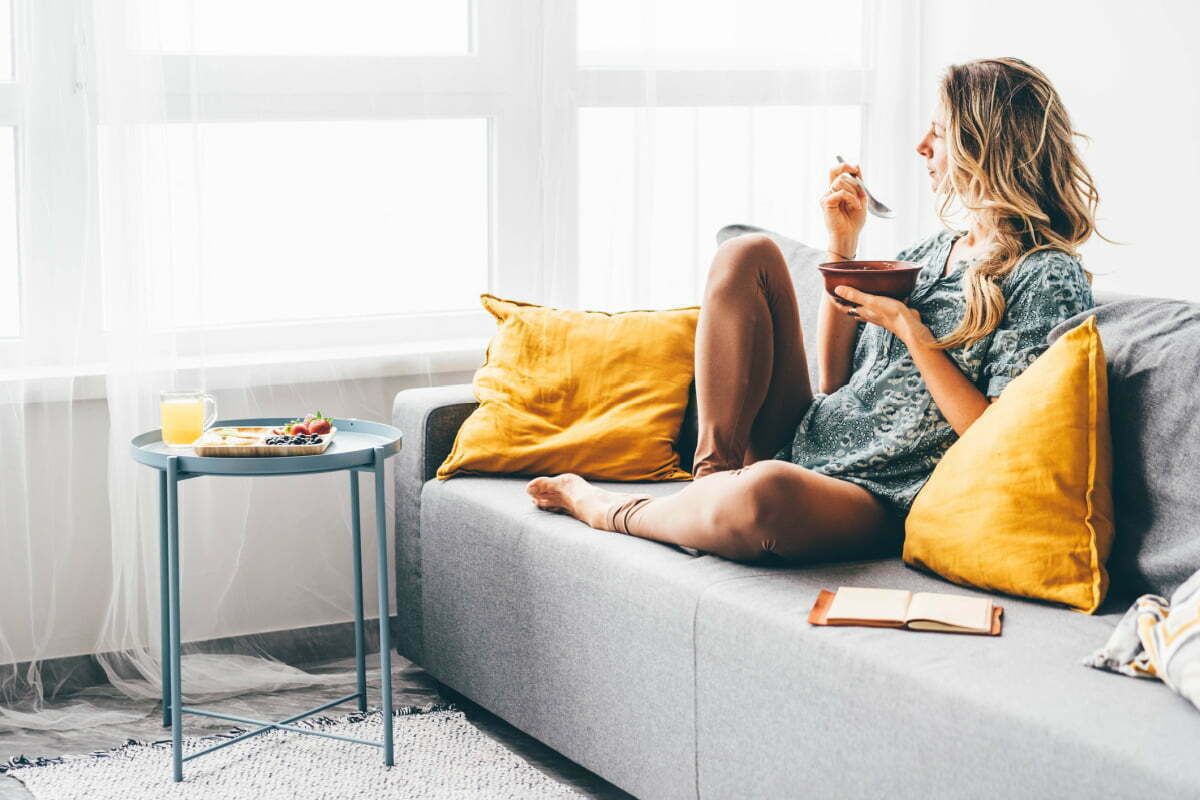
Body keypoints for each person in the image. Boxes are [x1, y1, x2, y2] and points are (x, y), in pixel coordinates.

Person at [525, 57, 1100, 564]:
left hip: (880, 495)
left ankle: (607, 509)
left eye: (941, 132)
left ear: (985, 143)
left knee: (766, 493)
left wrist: (911, 329)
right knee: (745, 253)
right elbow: (836, 380)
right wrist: (842, 247)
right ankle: (713, 477)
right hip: (810, 437)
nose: (923, 145)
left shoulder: (1045, 274)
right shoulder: (931, 251)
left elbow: (993, 437)